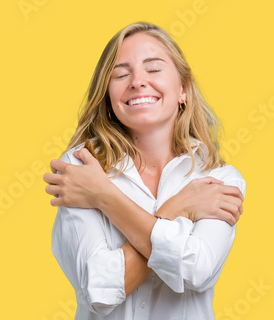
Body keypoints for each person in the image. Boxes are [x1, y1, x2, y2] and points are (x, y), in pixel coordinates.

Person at [43, 22, 246, 320]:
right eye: (121, 74)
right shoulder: (82, 167)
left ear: (183, 89)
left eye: (153, 69)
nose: (137, 82)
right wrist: (175, 209)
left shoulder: (220, 180)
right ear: (109, 98)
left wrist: (103, 196)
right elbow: (97, 293)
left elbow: (195, 272)